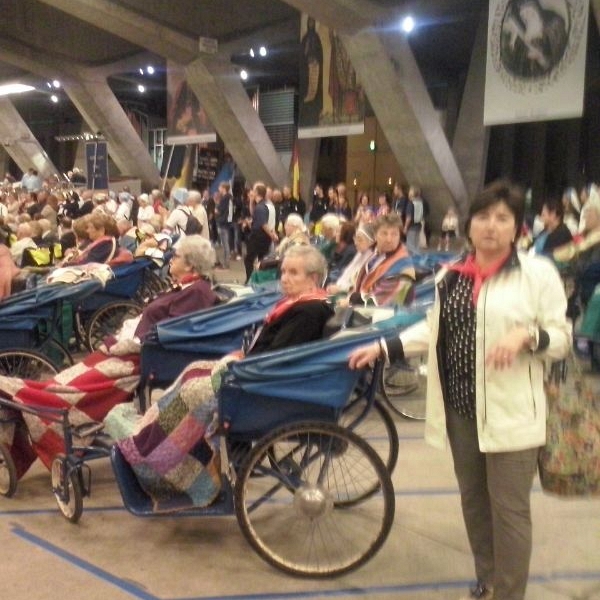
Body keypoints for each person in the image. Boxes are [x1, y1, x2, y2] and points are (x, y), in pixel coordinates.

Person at [349, 179, 571, 600]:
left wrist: (527, 337)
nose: (491, 226)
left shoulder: (536, 273)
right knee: (473, 502)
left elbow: (560, 337)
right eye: (483, 217)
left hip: (513, 415)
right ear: (469, 226)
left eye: (502, 218)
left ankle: (509, 594)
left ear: (516, 228)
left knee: (509, 513)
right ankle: (487, 579)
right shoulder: (452, 276)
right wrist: (381, 346)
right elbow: (433, 331)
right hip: (460, 411)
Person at [108, 245, 335, 509]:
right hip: (256, 376)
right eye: (284, 271)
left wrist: (237, 364)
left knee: (194, 389)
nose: (284, 278)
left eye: (294, 273)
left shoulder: (308, 311)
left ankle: (158, 458)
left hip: (258, 386)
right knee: (193, 373)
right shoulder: (299, 305)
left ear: (314, 278)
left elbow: (274, 358)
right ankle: (150, 435)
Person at [0, 235, 219, 480]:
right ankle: (32, 398)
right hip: (131, 350)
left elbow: (170, 332)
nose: (172, 259)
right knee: (68, 380)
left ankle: (30, 398)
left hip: (141, 357)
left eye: (176, 256)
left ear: (190, 265)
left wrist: (130, 341)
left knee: (71, 390)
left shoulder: (196, 292)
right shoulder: (187, 287)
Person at [346, 213, 416, 307]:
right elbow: (358, 284)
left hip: (383, 317)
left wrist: (351, 300)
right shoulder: (375, 254)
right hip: (359, 310)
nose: (389, 239)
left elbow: (377, 303)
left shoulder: (403, 266)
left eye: (394, 234)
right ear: (375, 235)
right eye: (384, 233)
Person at [501, 0, 568, 79]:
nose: (526, 16)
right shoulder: (522, 36)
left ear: (536, 9)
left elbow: (557, 65)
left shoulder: (554, 28)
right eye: (523, 14)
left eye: (529, 11)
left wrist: (541, 58)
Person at [327, 222, 376, 295]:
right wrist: (337, 286)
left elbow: (357, 286)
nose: (355, 242)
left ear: (371, 242)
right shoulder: (359, 254)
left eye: (360, 240)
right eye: (355, 238)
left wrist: (340, 289)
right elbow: (346, 275)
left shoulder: (372, 261)